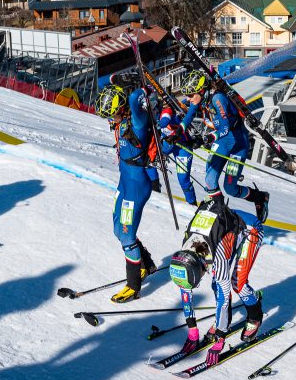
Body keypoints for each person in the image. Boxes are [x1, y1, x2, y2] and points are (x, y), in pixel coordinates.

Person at [169, 198, 265, 367]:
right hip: (222, 229)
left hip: (249, 228)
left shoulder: (218, 256)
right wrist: (192, 329)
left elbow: (224, 295)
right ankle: (224, 320)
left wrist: (220, 335)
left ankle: (255, 316)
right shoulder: (185, 253)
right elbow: (185, 289)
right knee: (217, 283)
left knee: (237, 284)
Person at [94, 83, 159, 303]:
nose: (110, 120)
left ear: (121, 109)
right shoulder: (121, 122)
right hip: (125, 182)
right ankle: (146, 264)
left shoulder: (137, 121)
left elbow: (133, 98)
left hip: (137, 186)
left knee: (127, 236)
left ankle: (134, 286)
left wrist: (144, 90)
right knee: (117, 229)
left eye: (111, 115)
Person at [180, 70, 269, 221]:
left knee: (231, 188)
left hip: (237, 144)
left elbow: (225, 128)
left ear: (201, 91)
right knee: (210, 180)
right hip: (222, 142)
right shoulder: (200, 98)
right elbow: (189, 115)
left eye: (190, 95)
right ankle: (219, 212)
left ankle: (259, 197)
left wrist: (207, 138)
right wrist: (178, 131)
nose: (188, 99)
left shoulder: (218, 99)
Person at [157, 103, 198, 206]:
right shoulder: (154, 110)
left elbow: (165, 120)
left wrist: (156, 124)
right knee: (149, 160)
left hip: (182, 147)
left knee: (183, 179)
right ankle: (154, 189)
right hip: (167, 143)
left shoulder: (169, 109)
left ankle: (192, 204)